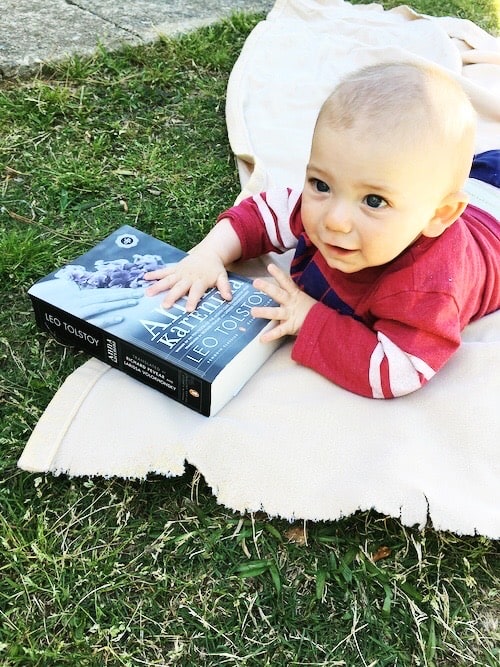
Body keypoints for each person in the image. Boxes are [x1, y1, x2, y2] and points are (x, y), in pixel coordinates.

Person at [145, 61, 500, 399]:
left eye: (374, 201)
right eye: (321, 183)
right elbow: (262, 214)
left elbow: (397, 370)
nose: (334, 219)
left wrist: (309, 318)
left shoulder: (430, 289)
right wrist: (209, 255)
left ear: (439, 215)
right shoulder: (333, 207)